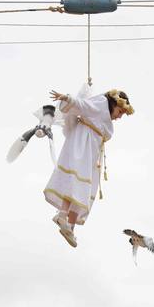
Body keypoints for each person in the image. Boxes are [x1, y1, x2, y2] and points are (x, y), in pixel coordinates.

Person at [44, 85, 133, 247]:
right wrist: (68, 98)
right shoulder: (100, 105)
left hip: (92, 152)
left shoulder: (105, 118)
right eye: (120, 112)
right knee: (74, 181)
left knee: (82, 188)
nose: (119, 117)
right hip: (81, 145)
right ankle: (62, 215)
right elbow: (84, 105)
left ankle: (69, 226)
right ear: (114, 105)